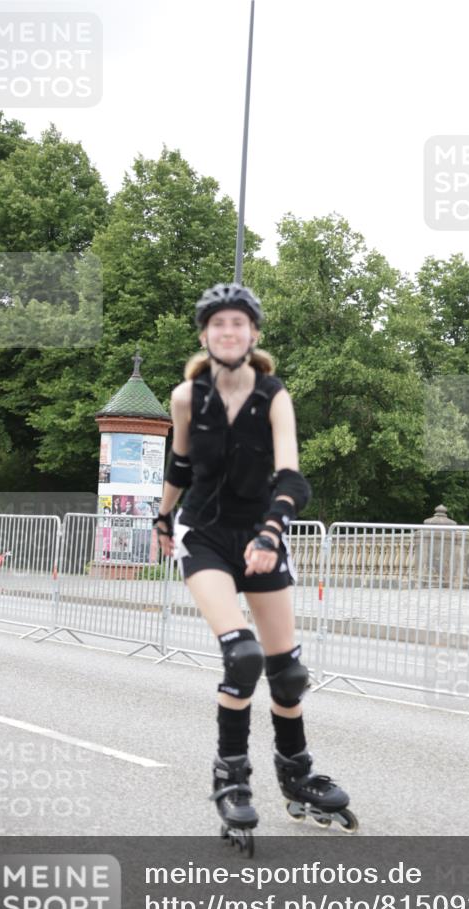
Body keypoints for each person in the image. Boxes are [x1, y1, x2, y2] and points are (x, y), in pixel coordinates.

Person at [153, 282, 355, 847]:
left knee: (287, 672)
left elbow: (291, 477)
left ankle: (297, 774)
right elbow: (181, 464)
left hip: (260, 534)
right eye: (218, 323)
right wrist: (163, 520)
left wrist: (272, 529)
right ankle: (232, 778)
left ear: (254, 334)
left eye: (238, 323)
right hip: (207, 534)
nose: (228, 331)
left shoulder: (274, 395)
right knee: (242, 657)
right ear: (204, 334)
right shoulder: (185, 397)